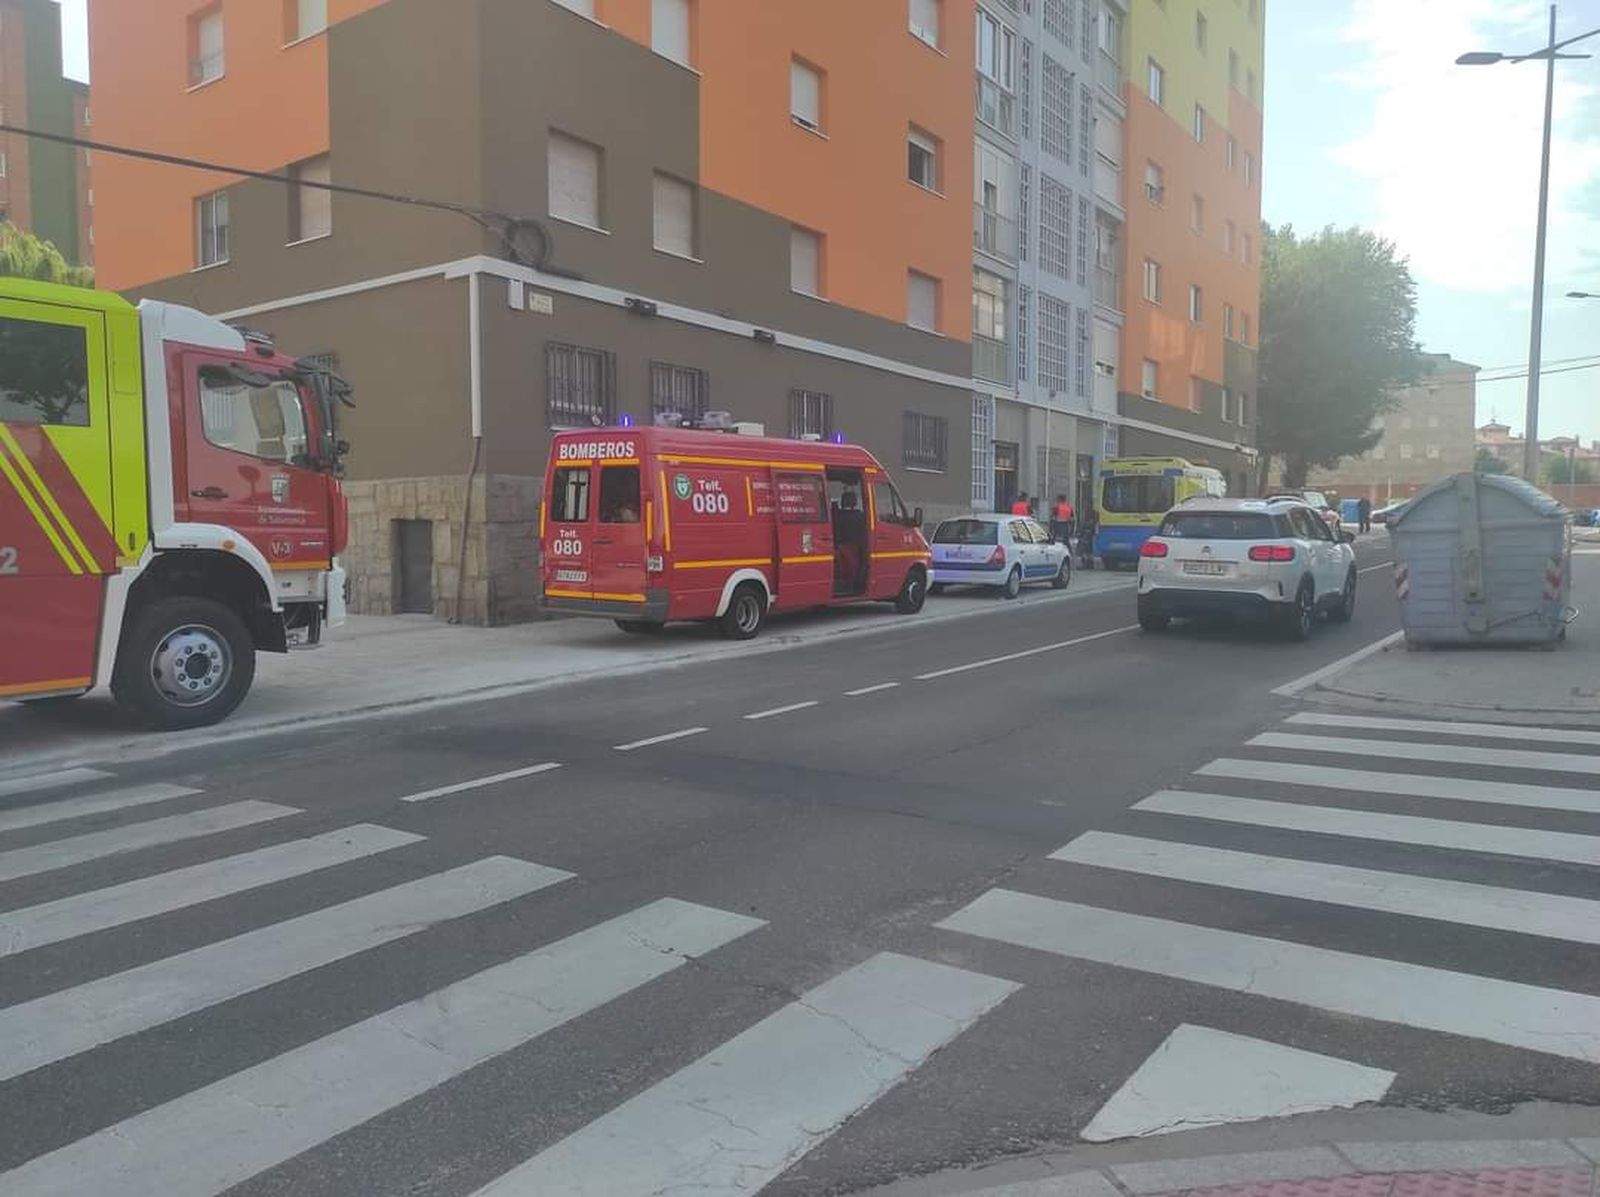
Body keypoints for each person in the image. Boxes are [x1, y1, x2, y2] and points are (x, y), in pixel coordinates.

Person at [1077, 504, 1098, 569]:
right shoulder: (1094, 518)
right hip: (1089, 536)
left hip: (1086, 536)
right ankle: (1090, 563)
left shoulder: (1087, 521)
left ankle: (1086, 563)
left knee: (1084, 550)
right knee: (1089, 550)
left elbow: (1083, 527)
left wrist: (1080, 533)